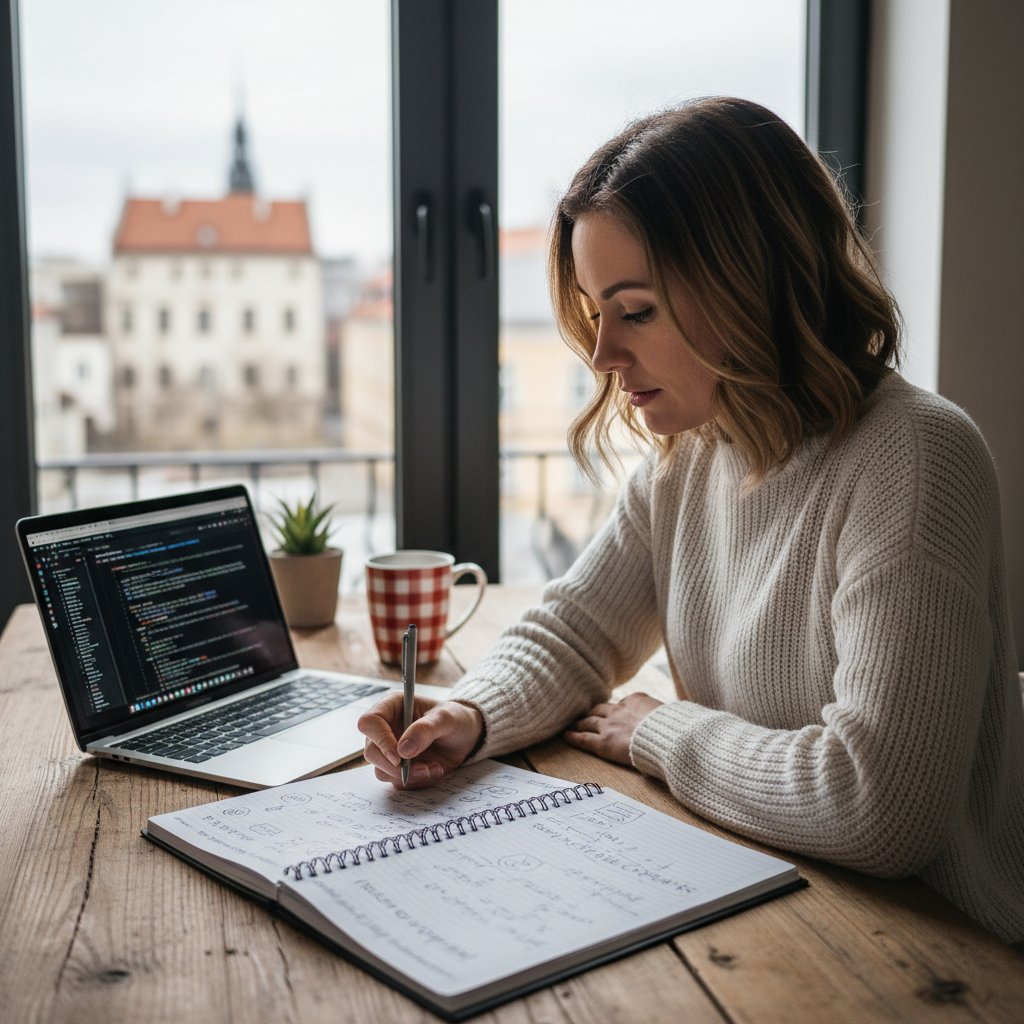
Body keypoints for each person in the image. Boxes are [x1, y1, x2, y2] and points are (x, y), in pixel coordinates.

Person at [358, 96, 1024, 946]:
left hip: (942, 939)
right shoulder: (694, 453)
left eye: (635, 311)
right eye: (598, 314)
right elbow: (576, 632)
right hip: (771, 896)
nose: (602, 357)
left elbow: (877, 807)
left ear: (751, 283)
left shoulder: (916, 457)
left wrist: (661, 729)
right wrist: (469, 715)